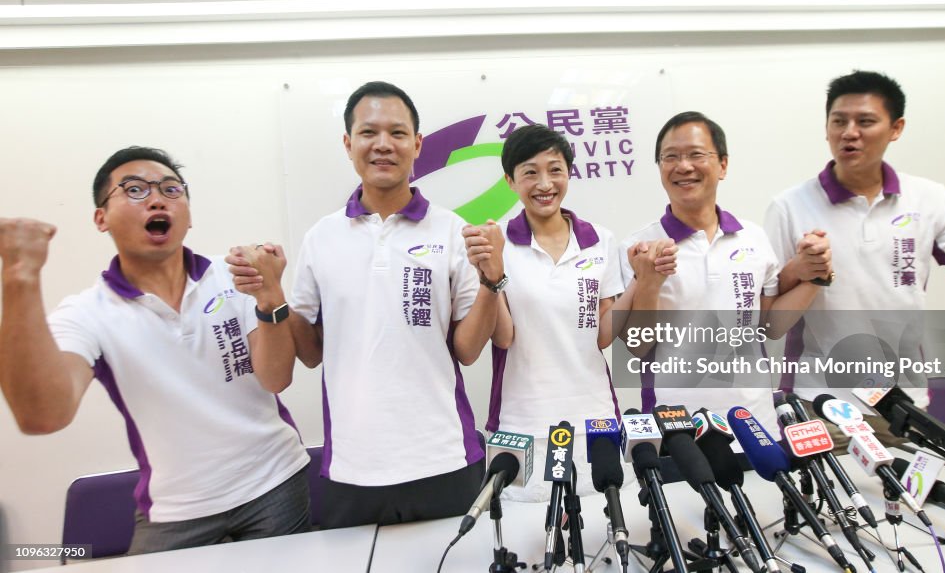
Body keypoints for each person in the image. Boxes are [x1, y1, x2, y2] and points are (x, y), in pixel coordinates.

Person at [0, 146, 310, 554]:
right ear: (101, 217)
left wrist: (270, 297)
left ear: (189, 213)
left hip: (277, 483)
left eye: (171, 188)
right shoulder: (87, 313)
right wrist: (20, 277)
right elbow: (42, 416)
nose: (157, 198)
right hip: (178, 511)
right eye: (134, 189)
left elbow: (275, 378)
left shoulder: (233, 275)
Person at [230, 81, 504, 528]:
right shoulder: (322, 236)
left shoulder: (452, 230)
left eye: (397, 134)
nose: (383, 145)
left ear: (417, 145)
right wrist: (273, 293)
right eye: (368, 133)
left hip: (445, 457)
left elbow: (469, 351)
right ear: (348, 143)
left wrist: (492, 281)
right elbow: (311, 351)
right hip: (352, 468)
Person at [765, 70, 945, 442]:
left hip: (902, 399)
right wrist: (800, 271)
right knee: (833, 499)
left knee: (902, 499)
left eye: (865, 121)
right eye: (838, 121)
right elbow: (768, 316)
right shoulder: (790, 206)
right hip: (821, 399)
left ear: (896, 128)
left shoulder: (929, 198)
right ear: (826, 129)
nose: (849, 132)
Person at [468, 125, 657, 500]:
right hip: (524, 420)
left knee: (604, 528)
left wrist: (640, 279)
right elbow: (504, 337)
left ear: (569, 172)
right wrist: (491, 273)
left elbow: (602, 335)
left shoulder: (599, 240)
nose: (544, 183)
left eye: (555, 169)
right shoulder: (499, 243)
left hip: (595, 417)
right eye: (530, 172)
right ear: (511, 181)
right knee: (533, 541)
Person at [619, 112, 827, 429]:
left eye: (696, 155)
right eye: (669, 157)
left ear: (723, 165)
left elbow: (770, 325)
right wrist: (648, 282)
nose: (683, 166)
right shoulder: (639, 246)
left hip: (756, 421)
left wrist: (814, 276)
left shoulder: (753, 237)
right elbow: (638, 345)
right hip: (678, 426)